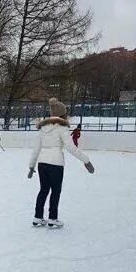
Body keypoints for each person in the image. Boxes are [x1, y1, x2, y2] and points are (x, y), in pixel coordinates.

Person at [28, 98, 95, 228]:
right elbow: (71, 148)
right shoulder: (62, 128)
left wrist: (31, 166)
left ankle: (38, 216)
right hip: (56, 164)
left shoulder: (42, 129)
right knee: (55, 191)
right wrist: (86, 160)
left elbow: (36, 149)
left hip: (42, 164)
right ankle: (52, 218)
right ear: (62, 115)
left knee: (43, 190)